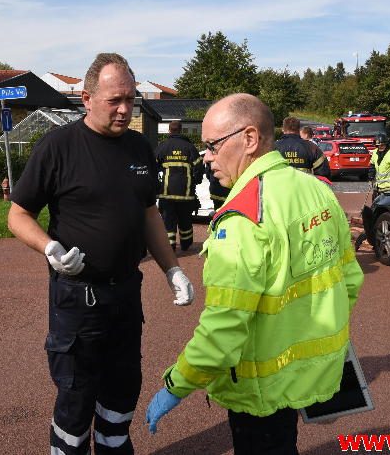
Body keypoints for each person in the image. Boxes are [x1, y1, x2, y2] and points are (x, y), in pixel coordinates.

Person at [145, 93, 364, 454]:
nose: (207, 157)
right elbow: (348, 282)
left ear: (249, 139)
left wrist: (176, 385)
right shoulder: (319, 193)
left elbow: (223, 329)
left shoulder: (244, 216)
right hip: (305, 374)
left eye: (213, 145)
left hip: (259, 387)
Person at [7, 52, 195, 455]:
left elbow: (148, 212)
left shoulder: (140, 148)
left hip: (126, 294)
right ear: (87, 98)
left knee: (121, 393)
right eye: (115, 100)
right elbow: (18, 214)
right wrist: (49, 247)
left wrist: (172, 269)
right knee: (76, 401)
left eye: (130, 99)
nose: (125, 109)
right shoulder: (58, 147)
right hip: (78, 300)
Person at [156, 120, 203, 251]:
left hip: (167, 194)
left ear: (169, 131)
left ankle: (169, 246)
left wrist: (156, 184)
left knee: (168, 221)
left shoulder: (163, 146)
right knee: (185, 220)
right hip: (186, 194)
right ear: (181, 130)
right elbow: (199, 167)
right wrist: (196, 181)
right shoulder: (190, 147)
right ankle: (186, 244)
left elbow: (152, 166)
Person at [367, 133, 390, 201]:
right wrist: (370, 178)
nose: (380, 147)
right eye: (378, 145)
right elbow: (372, 167)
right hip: (378, 187)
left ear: (386, 144)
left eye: (382, 145)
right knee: (375, 207)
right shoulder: (375, 153)